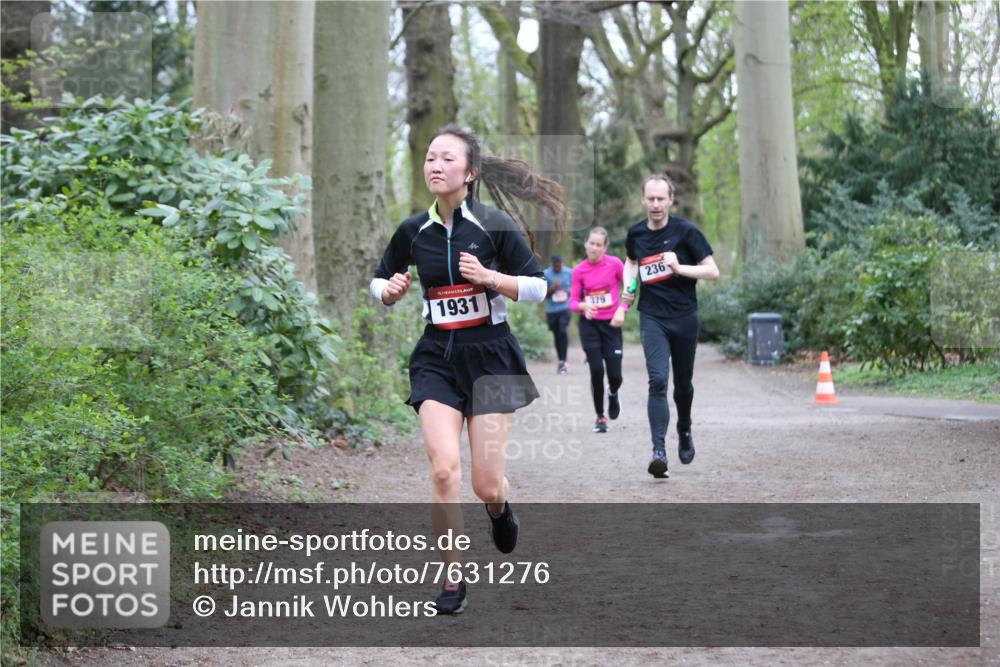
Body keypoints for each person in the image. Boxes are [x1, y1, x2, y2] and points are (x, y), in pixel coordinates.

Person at [370, 124, 566, 614]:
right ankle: (452, 579)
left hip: (492, 358)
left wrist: (493, 279)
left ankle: (499, 510)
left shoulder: (494, 225)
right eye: (430, 158)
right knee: (442, 471)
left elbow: (541, 287)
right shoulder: (413, 230)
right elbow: (377, 280)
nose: (434, 165)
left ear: (470, 172)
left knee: (484, 483)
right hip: (436, 357)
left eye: (446, 158)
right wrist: (388, 291)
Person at [611, 175, 719, 478]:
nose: (656, 204)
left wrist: (679, 267)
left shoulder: (686, 232)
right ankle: (658, 450)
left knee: (682, 386)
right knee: (658, 380)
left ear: (671, 200)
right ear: (643, 200)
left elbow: (713, 271)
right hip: (652, 316)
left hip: (684, 317)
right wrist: (628, 288)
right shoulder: (635, 234)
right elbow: (631, 262)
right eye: (651, 199)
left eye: (661, 199)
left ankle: (684, 428)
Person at [569, 227, 625, 433]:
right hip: (589, 326)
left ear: (605, 247)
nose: (593, 248)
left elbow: (629, 286)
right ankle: (600, 416)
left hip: (611, 325)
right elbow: (572, 302)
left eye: (598, 245)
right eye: (591, 243)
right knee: (596, 371)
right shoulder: (579, 271)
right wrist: (584, 306)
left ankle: (613, 392)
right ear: (586, 244)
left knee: (615, 375)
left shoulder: (615, 264)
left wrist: (623, 308)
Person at [543, 255, 573, 374]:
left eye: (559, 265)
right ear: (552, 265)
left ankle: (563, 360)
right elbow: (543, 294)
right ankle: (560, 359)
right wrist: (553, 288)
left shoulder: (569, 272)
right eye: (555, 266)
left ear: (562, 263)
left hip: (565, 308)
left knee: (562, 331)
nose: (558, 268)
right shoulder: (546, 274)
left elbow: (576, 288)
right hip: (551, 310)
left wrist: (569, 292)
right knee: (556, 334)